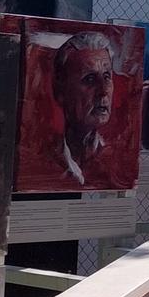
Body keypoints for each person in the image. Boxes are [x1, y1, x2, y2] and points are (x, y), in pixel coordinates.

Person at [50, 32, 116, 187]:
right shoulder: (42, 160)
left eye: (106, 76)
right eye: (90, 79)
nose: (103, 91)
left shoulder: (116, 160)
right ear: (60, 91)